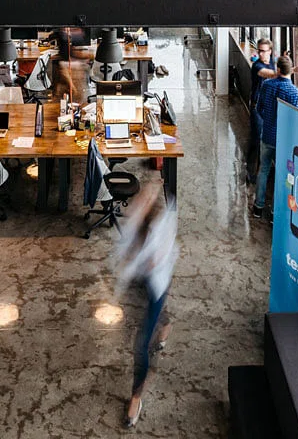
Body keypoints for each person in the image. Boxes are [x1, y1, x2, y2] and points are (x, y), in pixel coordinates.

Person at [112, 182, 178, 428]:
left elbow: (165, 255)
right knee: (143, 322)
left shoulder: (164, 225)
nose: (141, 202)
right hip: (135, 285)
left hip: (155, 286)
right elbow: (122, 249)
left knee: (141, 346)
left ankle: (136, 398)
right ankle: (165, 323)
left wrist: (151, 260)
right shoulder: (134, 220)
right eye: (141, 199)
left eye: (147, 200)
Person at [252, 55, 298, 219]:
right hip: (284, 140)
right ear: (290, 70)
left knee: (263, 170)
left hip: (267, 135)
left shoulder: (267, 85)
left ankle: (258, 207)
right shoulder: (293, 91)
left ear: (278, 69)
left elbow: (259, 109)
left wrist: (268, 121)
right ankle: (275, 213)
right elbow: (294, 118)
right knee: (281, 175)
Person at [247, 38, 276, 183]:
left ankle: (264, 170)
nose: (261, 54)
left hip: (269, 108)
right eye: (259, 51)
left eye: (264, 51)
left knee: (267, 141)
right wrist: (290, 70)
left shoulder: (273, 63)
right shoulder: (257, 66)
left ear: (270, 51)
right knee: (256, 139)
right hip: (257, 108)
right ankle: (251, 172)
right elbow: (270, 74)